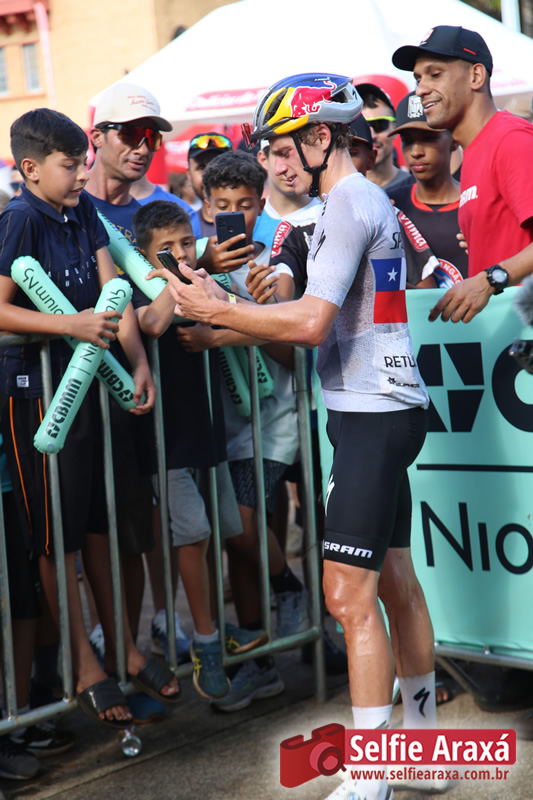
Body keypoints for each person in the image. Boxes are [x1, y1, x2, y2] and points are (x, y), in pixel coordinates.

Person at [150, 73, 436, 800]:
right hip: (380, 408)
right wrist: (227, 323)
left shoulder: (348, 202)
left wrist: (216, 308)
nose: (275, 164)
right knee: (394, 582)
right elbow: (312, 320)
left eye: (283, 148)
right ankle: (424, 748)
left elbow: (308, 325)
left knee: (346, 595)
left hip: (371, 414)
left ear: (319, 137)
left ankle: (372, 776)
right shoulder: (355, 200)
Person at [0, 108, 179, 730]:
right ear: (30, 169)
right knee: (57, 535)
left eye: (82, 163)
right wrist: (66, 324)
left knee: (98, 521)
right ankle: (83, 665)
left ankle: (122, 649)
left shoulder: (81, 212)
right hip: (37, 392)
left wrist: (138, 361)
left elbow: (113, 291)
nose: (82, 175)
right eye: (69, 165)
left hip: (94, 385)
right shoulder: (20, 219)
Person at [175, 150, 309, 713]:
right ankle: (259, 661)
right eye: (222, 203)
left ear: (262, 204)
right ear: (205, 206)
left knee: (247, 524)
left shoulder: (276, 263)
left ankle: (294, 595)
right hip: (220, 424)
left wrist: (238, 314)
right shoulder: (194, 266)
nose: (234, 214)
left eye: (246, 205)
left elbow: (290, 348)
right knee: (235, 541)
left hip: (276, 422)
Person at [131, 199, 265, 700]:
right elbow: (151, 324)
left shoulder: (204, 282)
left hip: (207, 434)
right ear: (144, 258)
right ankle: (206, 642)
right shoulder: (138, 287)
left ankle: (216, 628)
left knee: (218, 534)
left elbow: (252, 322)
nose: (182, 254)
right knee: (194, 533)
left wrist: (217, 333)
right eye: (166, 249)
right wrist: (182, 276)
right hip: (164, 443)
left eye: (187, 243)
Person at [85, 81, 191, 672]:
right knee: (108, 525)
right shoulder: (68, 208)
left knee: (159, 519)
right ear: (96, 137)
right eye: (130, 133)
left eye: (151, 135)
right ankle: (111, 638)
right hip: (89, 392)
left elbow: (157, 314)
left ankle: (162, 621)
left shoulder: (161, 210)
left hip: (159, 388)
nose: (143, 145)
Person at [391, 25, 533, 323]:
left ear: (476, 76)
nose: (421, 89)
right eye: (418, 78)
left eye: (435, 74)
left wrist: (490, 279)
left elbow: (492, 278)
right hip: (503, 336)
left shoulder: (510, 139)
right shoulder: (476, 151)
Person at [386, 90, 467, 287]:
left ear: (453, 140)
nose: (416, 152)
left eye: (428, 138)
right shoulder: (389, 206)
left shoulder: (476, 201)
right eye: (407, 140)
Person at [253, 139, 322, 251]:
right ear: (264, 160)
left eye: (297, 154)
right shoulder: (251, 220)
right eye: (282, 155)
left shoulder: (326, 215)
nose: (286, 168)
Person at [356, 82, 414, 192]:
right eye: (362, 126)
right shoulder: (336, 190)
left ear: (395, 127)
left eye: (380, 124)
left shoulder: (415, 188)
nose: (372, 135)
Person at [187, 132, 233, 237]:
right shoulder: (184, 229)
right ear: (189, 175)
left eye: (218, 165)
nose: (209, 175)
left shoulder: (253, 222)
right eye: (201, 167)